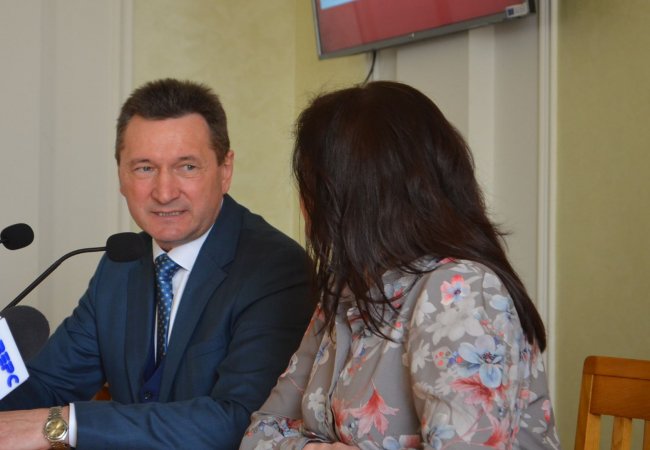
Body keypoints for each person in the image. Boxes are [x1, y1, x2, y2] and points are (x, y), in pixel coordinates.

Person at [240, 81, 561, 450]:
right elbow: (259, 434)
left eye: (311, 186)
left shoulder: (460, 292)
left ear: (349, 195)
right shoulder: (346, 291)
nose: (304, 204)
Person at [0, 78, 314, 449]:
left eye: (187, 167)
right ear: (120, 175)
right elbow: (50, 385)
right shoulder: (121, 263)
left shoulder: (274, 269)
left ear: (225, 170)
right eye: (145, 168)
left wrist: (62, 424)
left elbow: (239, 421)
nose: (164, 193)